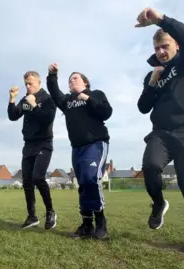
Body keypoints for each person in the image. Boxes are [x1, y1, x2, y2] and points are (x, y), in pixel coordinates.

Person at [134, 8, 184, 253]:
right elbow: (142, 107)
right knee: (150, 167)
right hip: (161, 133)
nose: (161, 52)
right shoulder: (154, 73)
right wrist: (151, 84)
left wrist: (160, 20)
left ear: (176, 45)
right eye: (157, 48)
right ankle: (158, 204)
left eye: (165, 46)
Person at [46, 63, 112, 240]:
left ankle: (101, 223)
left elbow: (106, 112)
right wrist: (53, 76)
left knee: (91, 178)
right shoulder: (67, 101)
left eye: (75, 78)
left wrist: (88, 99)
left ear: (85, 82)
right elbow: (55, 93)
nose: (71, 81)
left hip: (96, 143)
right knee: (82, 184)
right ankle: (86, 224)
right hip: (77, 148)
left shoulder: (95, 94)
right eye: (69, 80)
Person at [7, 71, 57, 230]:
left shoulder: (48, 98)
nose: (28, 86)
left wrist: (34, 104)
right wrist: (13, 99)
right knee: (27, 181)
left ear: (39, 83)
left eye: (30, 83)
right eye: (26, 84)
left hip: (44, 144)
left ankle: (50, 212)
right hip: (28, 145)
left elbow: (47, 118)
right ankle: (32, 216)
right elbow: (13, 116)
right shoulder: (25, 99)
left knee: (38, 177)